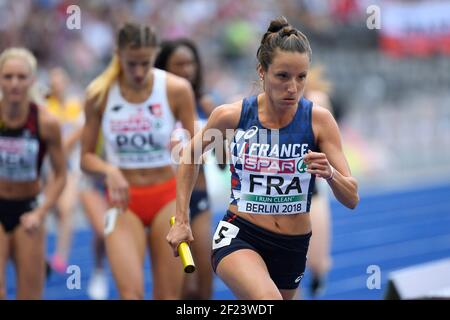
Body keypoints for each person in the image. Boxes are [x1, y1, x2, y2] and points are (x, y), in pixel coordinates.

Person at [167, 16, 359, 300]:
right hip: (240, 234)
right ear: (262, 71)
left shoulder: (319, 121)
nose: (293, 87)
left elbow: (352, 197)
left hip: (292, 245)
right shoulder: (231, 116)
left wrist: (330, 173)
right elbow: (189, 158)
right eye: (282, 76)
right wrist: (181, 218)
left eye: (301, 77)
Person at [80, 23, 196, 300]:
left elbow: (196, 150)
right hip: (123, 201)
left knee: (168, 296)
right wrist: (109, 170)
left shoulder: (176, 89)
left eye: (145, 63)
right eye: (131, 64)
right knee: (130, 294)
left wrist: (183, 146)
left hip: (167, 197)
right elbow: (85, 158)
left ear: (155, 55)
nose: (139, 72)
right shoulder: (99, 93)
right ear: (117, 54)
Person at [0, 47, 66, 299]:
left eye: (21, 76)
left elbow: (60, 175)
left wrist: (40, 210)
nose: (14, 83)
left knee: (30, 294)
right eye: (7, 76)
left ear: (32, 80)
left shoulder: (46, 123)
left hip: (28, 210)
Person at [154, 38, 214, 300]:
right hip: (166, 198)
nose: (186, 70)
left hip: (199, 199)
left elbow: (222, 159)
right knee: (178, 286)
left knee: (204, 279)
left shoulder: (206, 105)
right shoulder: (155, 106)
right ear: (163, 68)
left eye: (190, 63)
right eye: (178, 64)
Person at [44, 67, 84, 274]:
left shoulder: (74, 106)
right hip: (47, 165)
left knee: (66, 209)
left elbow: (81, 132)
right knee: (51, 208)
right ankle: (41, 253)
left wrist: (64, 148)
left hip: (69, 165)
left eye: (60, 81)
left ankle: (61, 256)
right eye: (53, 82)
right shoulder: (45, 106)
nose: (57, 85)